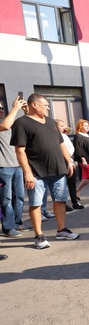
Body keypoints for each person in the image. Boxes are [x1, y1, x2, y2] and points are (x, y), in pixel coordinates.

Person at [10, 93, 80, 249]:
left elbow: (61, 144)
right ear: (34, 105)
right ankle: (39, 236)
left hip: (58, 169)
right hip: (36, 172)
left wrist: (69, 161)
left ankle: (61, 230)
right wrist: (27, 172)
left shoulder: (50, 122)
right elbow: (20, 151)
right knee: (35, 203)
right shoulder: (22, 123)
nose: (49, 107)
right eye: (46, 105)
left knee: (60, 200)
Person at [0, 96, 26, 249]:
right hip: (3, 167)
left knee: (20, 197)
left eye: (2, 108)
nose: (1, 110)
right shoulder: (3, 124)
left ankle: (17, 223)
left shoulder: (10, 122)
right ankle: (8, 227)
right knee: (6, 199)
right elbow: (4, 126)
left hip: (17, 165)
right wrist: (15, 109)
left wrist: (24, 109)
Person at [55, 119, 84, 210]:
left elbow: (71, 148)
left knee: (72, 182)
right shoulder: (53, 136)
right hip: (60, 162)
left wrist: (71, 160)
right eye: (61, 125)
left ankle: (75, 201)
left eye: (63, 125)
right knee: (61, 184)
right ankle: (63, 203)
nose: (63, 127)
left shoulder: (64, 136)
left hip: (69, 160)